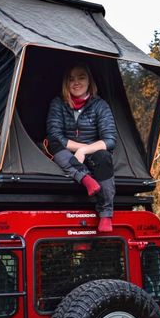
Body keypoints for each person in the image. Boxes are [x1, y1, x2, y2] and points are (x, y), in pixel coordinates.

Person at [46, 64, 117, 232]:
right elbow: (55, 135)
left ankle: (106, 214)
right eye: (71, 79)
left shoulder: (100, 105)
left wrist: (84, 150)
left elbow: (109, 140)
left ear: (89, 81)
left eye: (81, 77)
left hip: (90, 154)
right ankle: (86, 180)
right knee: (50, 143)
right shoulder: (58, 103)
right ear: (66, 83)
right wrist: (77, 149)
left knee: (104, 157)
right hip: (64, 152)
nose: (76, 82)